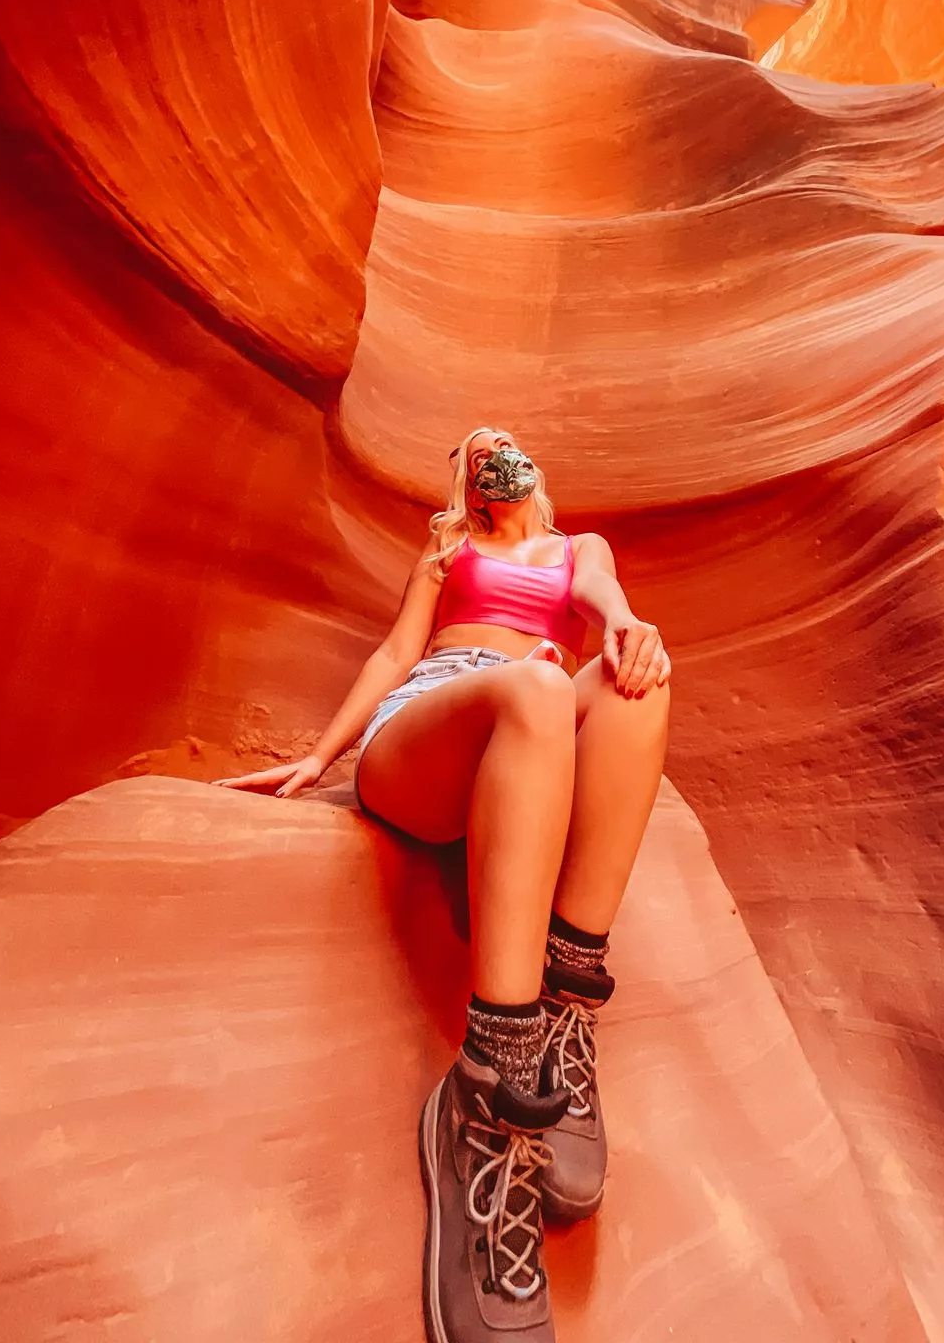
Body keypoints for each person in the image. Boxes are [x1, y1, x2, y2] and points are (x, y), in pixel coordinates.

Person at [215, 427, 670, 1343]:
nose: (492, 448)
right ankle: (487, 1085)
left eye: (507, 444)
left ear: (536, 473)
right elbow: (395, 654)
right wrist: (317, 755)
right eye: (475, 447)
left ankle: (566, 1009)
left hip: (533, 724)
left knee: (637, 684)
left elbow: (598, 593)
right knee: (536, 688)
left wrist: (622, 623)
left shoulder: (577, 549)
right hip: (434, 721)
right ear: (464, 479)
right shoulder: (447, 550)